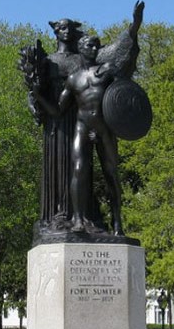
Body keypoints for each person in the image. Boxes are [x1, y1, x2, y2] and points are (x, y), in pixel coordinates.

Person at [35, 35, 124, 235]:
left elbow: (122, 95)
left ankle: (117, 222)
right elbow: (58, 110)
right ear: (80, 48)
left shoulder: (108, 70)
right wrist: (39, 96)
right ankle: (78, 220)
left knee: (111, 174)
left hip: (104, 128)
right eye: (90, 45)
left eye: (96, 46)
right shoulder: (74, 79)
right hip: (82, 127)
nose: (94, 49)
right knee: (78, 169)